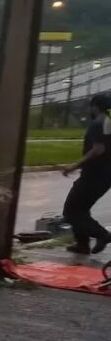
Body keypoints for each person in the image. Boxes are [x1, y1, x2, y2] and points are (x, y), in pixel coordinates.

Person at [62, 94, 111, 255]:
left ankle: (102, 235)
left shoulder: (97, 124)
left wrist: (73, 166)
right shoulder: (108, 122)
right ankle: (82, 244)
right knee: (81, 208)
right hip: (104, 175)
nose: (90, 109)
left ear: (95, 107)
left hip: (94, 175)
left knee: (71, 211)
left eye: (91, 106)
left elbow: (98, 149)